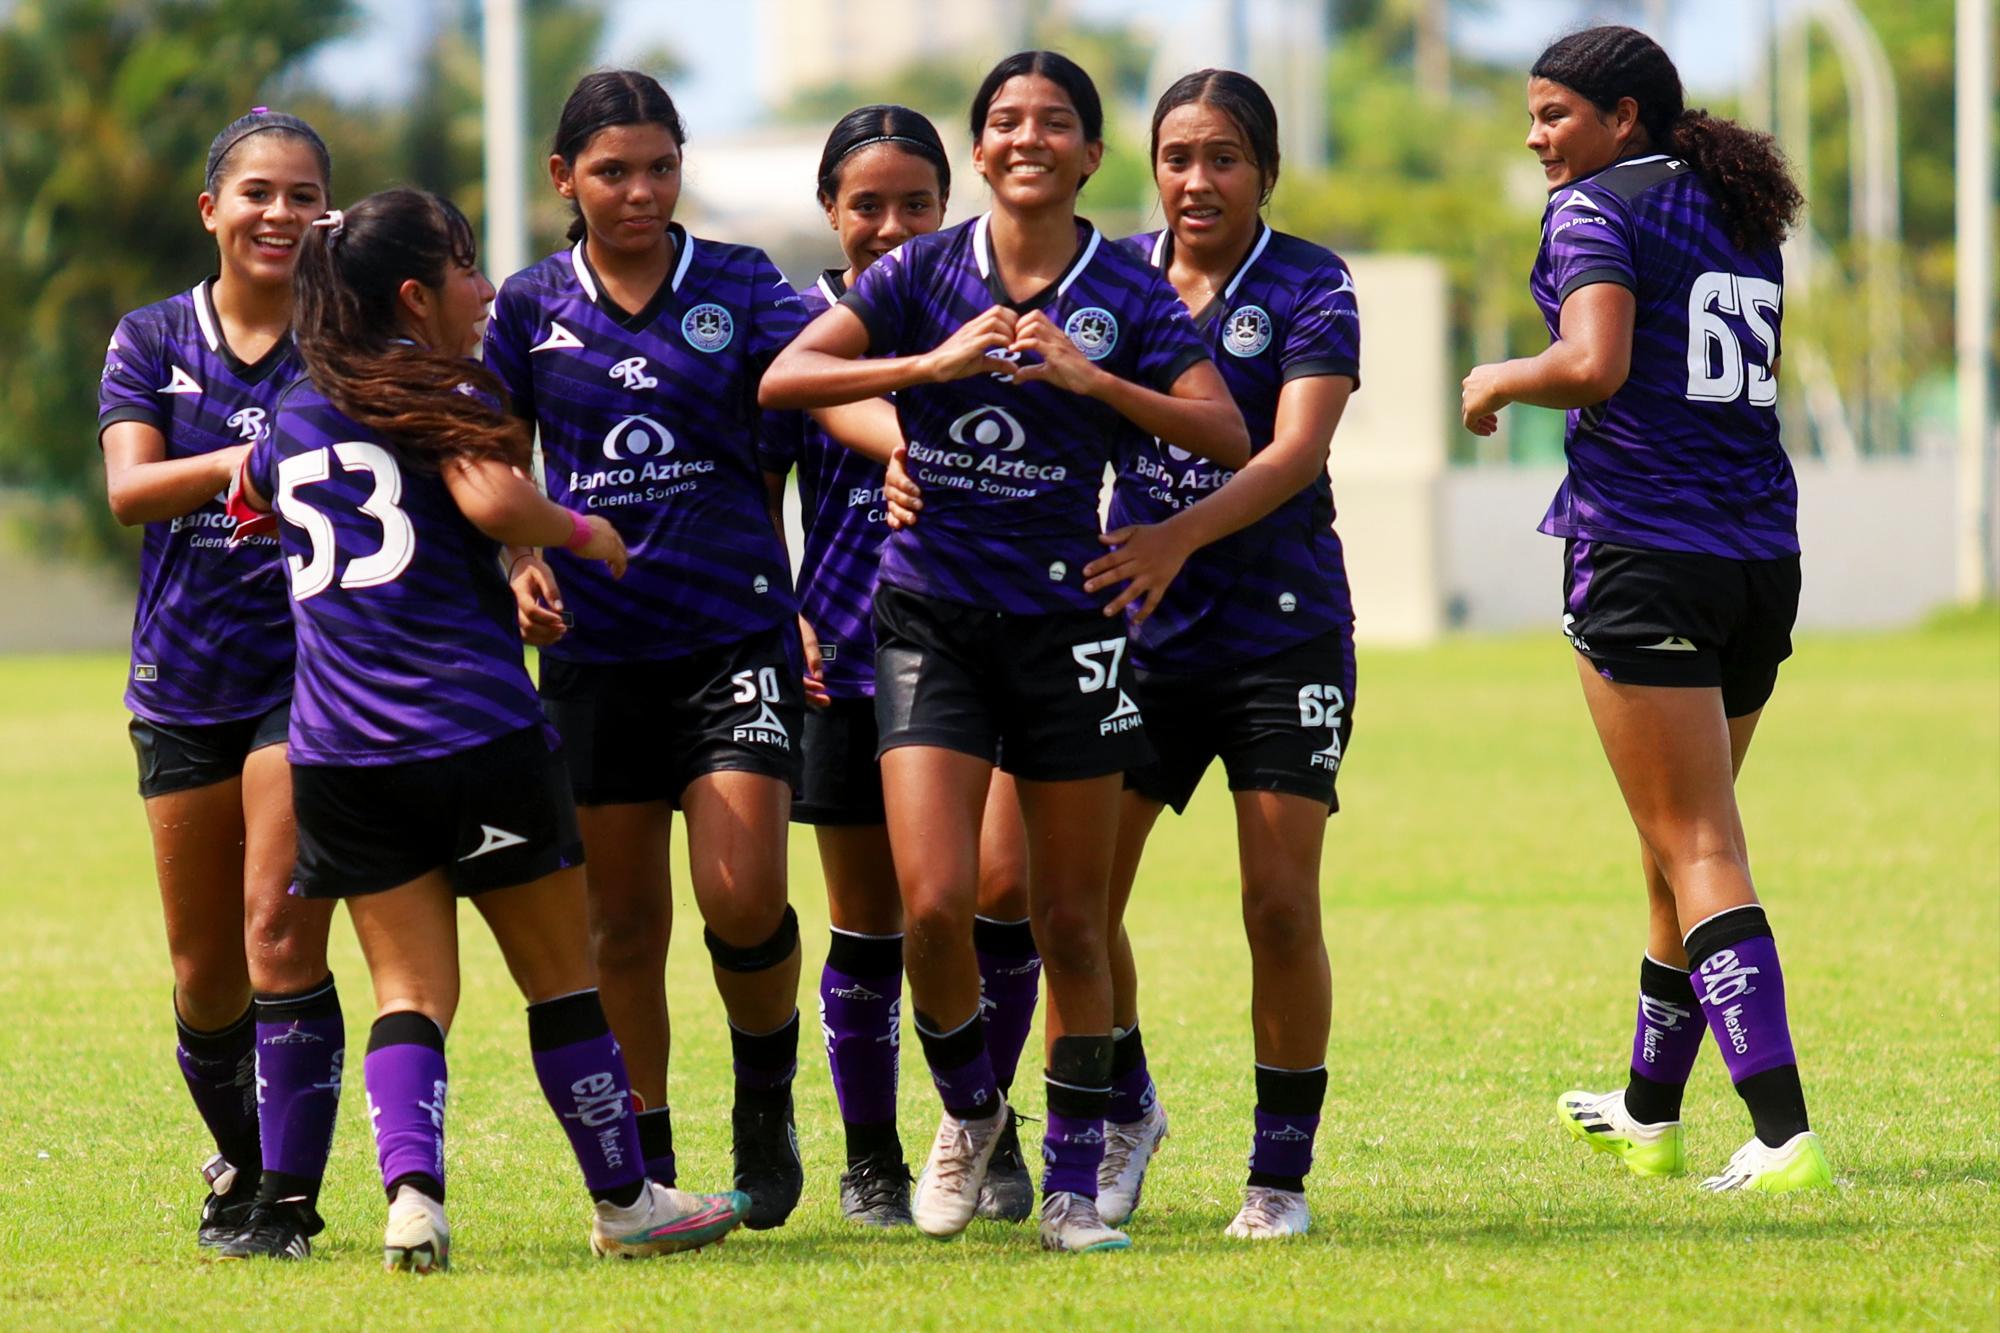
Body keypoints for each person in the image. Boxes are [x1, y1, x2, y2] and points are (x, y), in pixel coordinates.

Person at [762, 50, 1251, 1253]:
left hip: (1066, 628)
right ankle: (970, 1112)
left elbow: (1228, 432)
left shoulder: (1126, 292)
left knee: (1065, 920)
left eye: (1053, 123)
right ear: (976, 153)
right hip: (929, 621)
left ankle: (1077, 1185)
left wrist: (1098, 381)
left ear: (1090, 153)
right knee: (928, 911)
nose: (1025, 137)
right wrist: (922, 370)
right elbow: (788, 375)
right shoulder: (925, 271)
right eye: (1002, 121)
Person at [237, 187, 749, 1271]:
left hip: (337, 751)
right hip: (470, 732)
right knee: (562, 978)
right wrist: (577, 532)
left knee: (410, 993)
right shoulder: (448, 387)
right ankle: (626, 1204)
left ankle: (412, 1199)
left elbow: (254, 492)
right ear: (414, 296)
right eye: (466, 270)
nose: (484, 290)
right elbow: (488, 502)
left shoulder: (292, 405)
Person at [485, 71, 897, 1230]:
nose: (639, 191)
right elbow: (500, 461)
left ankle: (764, 1113)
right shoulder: (525, 306)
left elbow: (809, 391)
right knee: (621, 925)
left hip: (730, 636)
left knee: (743, 893)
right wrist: (521, 563)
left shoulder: (736, 282)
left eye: (659, 167)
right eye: (612, 171)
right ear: (563, 178)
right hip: (595, 651)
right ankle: (650, 1162)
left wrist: (903, 429)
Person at [1460, 25, 1830, 1192]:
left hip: (1644, 552)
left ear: (1622, 116)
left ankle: (1780, 1136)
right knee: (1673, 848)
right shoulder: (1733, 210)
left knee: (1698, 845)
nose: (1534, 136)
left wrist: (1494, 380)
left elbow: (1591, 363)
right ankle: (1647, 1110)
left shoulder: (1590, 210)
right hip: (1755, 557)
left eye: (1552, 114)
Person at [1070, 68, 1362, 1240]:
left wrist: (1174, 540)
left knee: (1279, 906)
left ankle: (1276, 1178)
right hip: (1136, 637)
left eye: (1223, 157)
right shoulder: (1111, 280)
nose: (1197, 179)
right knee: (1074, 905)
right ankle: (1128, 1110)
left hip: (1279, 630)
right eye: (1178, 155)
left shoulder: (1310, 281)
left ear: (1264, 172)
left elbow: (1292, 452)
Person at [98, 108, 346, 1258]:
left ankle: (289, 1198)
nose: (280, 214)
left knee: (275, 933)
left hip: (315, 675)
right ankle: (242, 1165)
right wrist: (250, 463)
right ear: (213, 209)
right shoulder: (151, 338)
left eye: (304, 195)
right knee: (205, 975)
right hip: (183, 679)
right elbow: (132, 490)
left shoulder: (345, 343)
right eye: (258, 192)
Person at [757, 104, 952, 1228]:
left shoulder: (987, 305)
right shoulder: (801, 326)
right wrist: (783, 614)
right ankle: (871, 1155)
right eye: (865, 205)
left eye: (913, 204)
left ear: (947, 206)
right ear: (829, 211)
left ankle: (977, 1119)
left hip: (987, 645)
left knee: (986, 898)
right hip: (844, 648)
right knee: (867, 918)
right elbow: (763, 480)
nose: (889, 225)